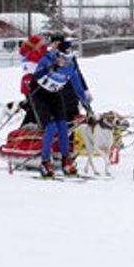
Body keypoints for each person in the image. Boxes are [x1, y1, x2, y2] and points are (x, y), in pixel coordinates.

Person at [31, 43, 92, 176]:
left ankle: (66, 160)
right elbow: (36, 77)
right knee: (51, 127)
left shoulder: (70, 66)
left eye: (69, 58)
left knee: (63, 126)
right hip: (40, 95)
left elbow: (77, 86)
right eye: (64, 58)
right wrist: (49, 68)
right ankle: (45, 162)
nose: (66, 61)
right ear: (57, 55)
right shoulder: (47, 59)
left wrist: (87, 105)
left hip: (55, 94)